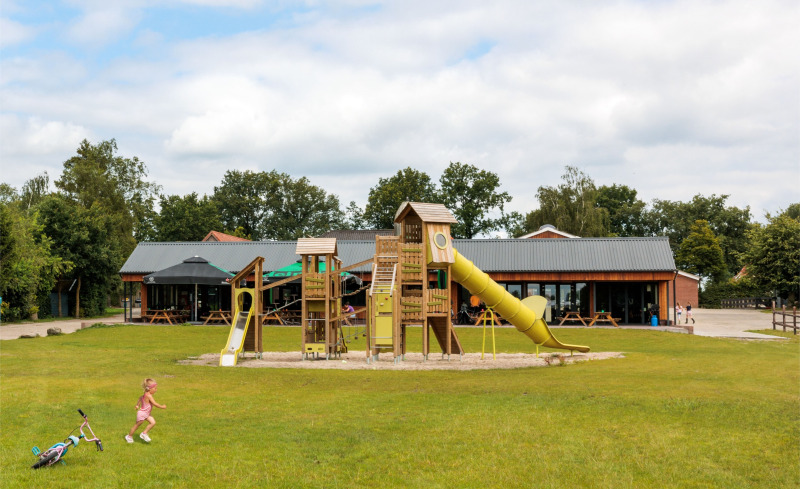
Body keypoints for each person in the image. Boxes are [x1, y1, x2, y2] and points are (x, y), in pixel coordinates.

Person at [126, 378, 166, 443]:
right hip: (142, 414)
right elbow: (155, 403)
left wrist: (137, 405)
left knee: (153, 422)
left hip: (147, 414)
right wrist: (162, 406)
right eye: (155, 388)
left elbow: (140, 398)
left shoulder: (145, 394)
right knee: (136, 426)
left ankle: (144, 433)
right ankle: (129, 436)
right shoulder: (149, 396)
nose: (156, 390)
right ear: (150, 389)